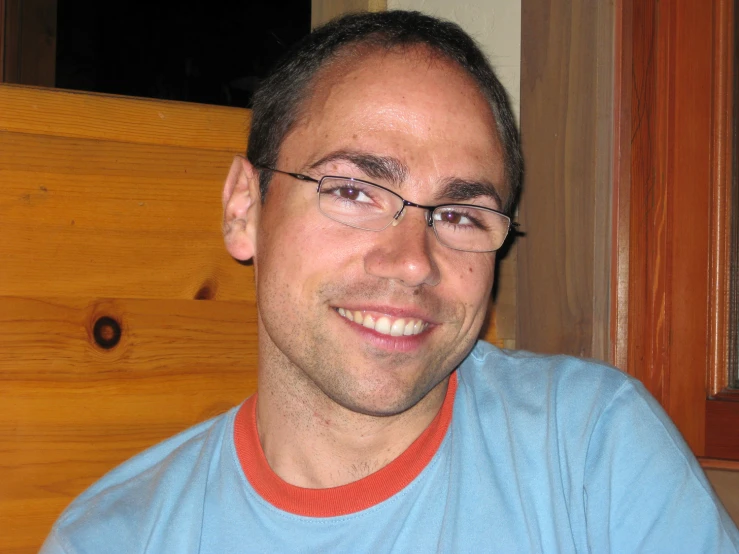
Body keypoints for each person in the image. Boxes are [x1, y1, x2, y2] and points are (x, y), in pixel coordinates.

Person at [42, 10, 739, 553]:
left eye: (461, 213)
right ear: (244, 208)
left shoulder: (591, 449)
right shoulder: (117, 537)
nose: (412, 260)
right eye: (351, 191)